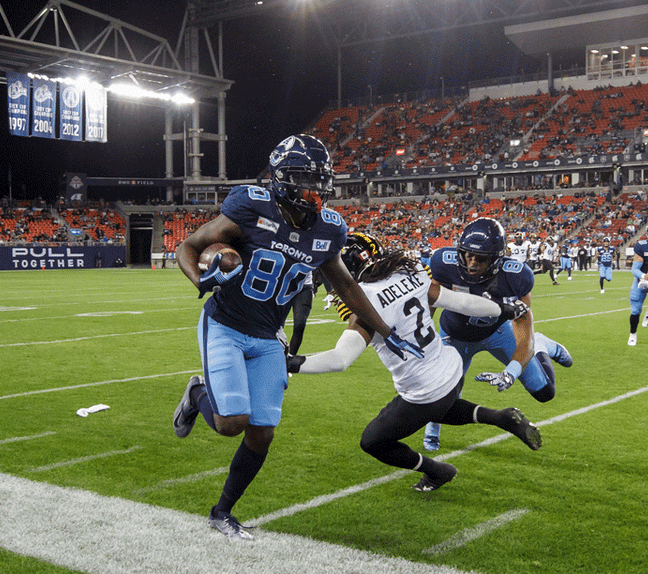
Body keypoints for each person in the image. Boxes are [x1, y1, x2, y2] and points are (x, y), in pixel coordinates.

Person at [170, 134, 424, 541]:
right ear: (283, 177)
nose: (317, 187)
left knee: (263, 431)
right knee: (231, 422)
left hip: (269, 334)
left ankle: (222, 512)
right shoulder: (251, 206)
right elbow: (188, 245)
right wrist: (201, 280)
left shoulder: (329, 227)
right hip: (227, 325)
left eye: (321, 178)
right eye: (308, 177)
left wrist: (386, 331)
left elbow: (345, 285)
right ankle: (196, 393)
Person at [288, 233, 541, 492]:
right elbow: (461, 301)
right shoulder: (409, 274)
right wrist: (505, 310)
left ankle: (437, 471)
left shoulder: (364, 304)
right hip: (451, 368)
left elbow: (340, 359)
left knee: (373, 441)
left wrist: (291, 363)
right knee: (440, 405)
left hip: (424, 389)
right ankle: (500, 417)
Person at [420, 217, 573, 452]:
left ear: (497, 258)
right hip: (454, 335)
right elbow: (430, 302)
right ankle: (432, 430)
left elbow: (523, 334)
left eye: (480, 258)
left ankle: (543, 344)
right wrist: (422, 335)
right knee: (441, 390)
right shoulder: (443, 261)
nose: (471, 263)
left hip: (498, 332)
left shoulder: (516, 276)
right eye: (467, 255)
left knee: (545, 393)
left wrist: (511, 373)